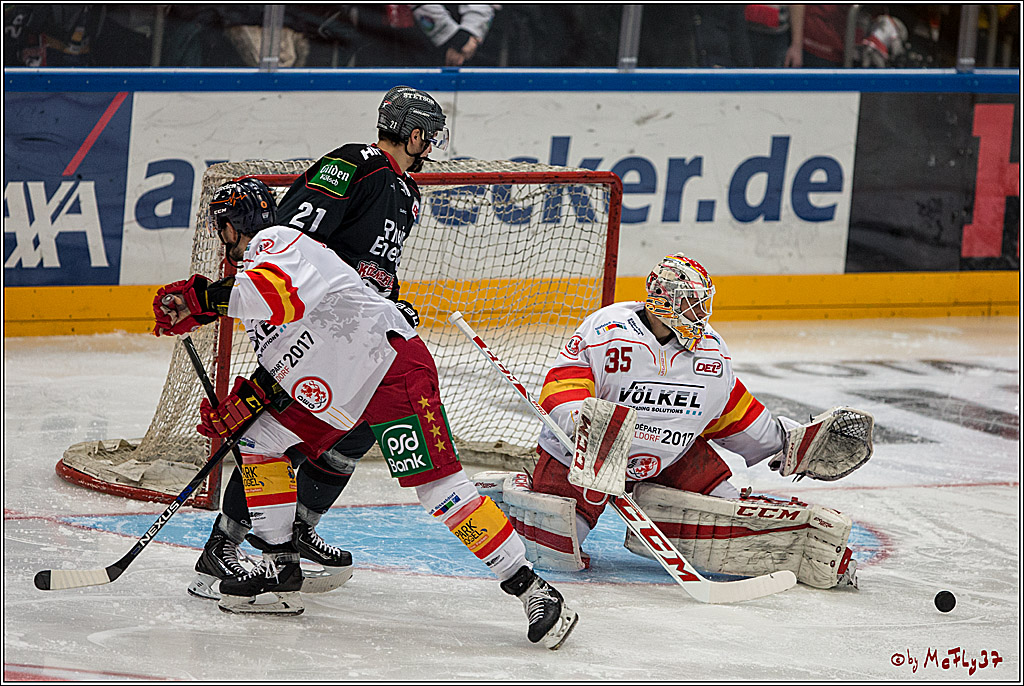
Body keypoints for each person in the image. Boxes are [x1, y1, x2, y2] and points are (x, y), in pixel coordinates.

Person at [152, 177, 578, 648]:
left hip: (390, 369)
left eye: (222, 227)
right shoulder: (255, 276)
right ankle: (278, 565)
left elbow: (278, 298)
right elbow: (295, 350)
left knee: (439, 491)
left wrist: (201, 300)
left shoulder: (280, 242)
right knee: (258, 440)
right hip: (339, 386)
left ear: (231, 226)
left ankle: (533, 588)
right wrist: (252, 400)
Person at [183, 85, 449, 603]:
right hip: (307, 327)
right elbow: (298, 237)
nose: (433, 146)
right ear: (413, 133)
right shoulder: (356, 162)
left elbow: (375, 268)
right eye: (429, 136)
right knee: (275, 436)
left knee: (357, 433)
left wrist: (386, 305)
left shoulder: (407, 193)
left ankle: (297, 530)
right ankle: (226, 543)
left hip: (353, 335)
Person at [475, 253, 871, 589]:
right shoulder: (607, 330)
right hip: (586, 456)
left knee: (729, 512)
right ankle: (518, 491)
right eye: (693, 305)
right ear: (663, 302)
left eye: (703, 305)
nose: (702, 315)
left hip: (671, 454)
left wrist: (785, 443)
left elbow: (728, 412)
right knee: (558, 550)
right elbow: (562, 386)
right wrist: (584, 421)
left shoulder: (711, 352)